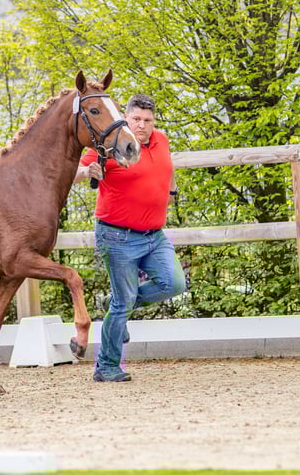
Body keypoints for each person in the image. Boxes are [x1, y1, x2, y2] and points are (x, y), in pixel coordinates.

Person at [74, 93, 186, 382]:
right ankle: (106, 367)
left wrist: (172, 191)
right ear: (126, 117)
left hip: (154, 236)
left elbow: (167, 167)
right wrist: (87, 171)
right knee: (123, 303)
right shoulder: (110, 142)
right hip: (117, 236)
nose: (142, 125)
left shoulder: (161, 140)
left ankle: (113, 303)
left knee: (174, 283)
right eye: (136, 119)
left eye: (148, 120)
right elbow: (73, 171)